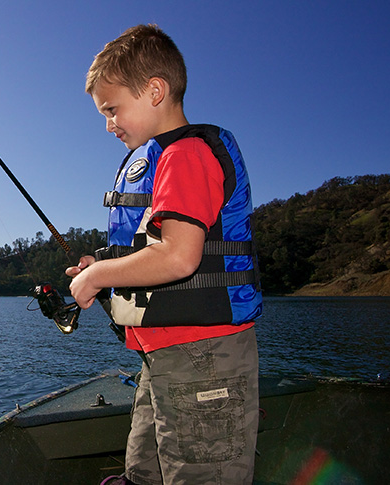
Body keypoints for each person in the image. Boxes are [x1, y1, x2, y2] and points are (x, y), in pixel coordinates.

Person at [66, 24, 263, 485]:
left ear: (155, 91)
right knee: (142, 470)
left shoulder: (186, 155)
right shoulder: (164, 158)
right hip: (166, 355)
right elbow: (155, 249)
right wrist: (105, 267)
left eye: (112, 109)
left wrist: (96, 280)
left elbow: (178, 258)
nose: (109, 124)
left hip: (205, 354)